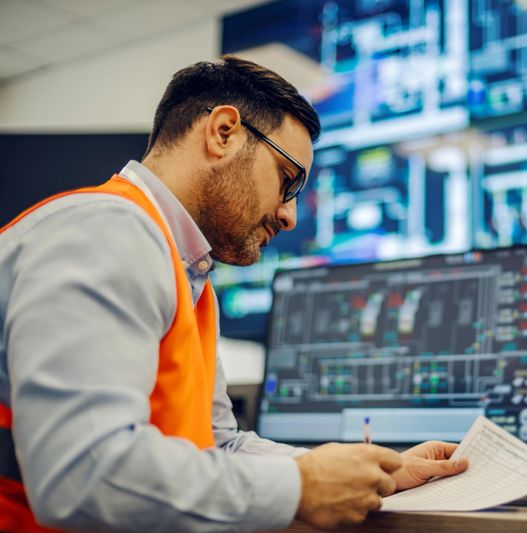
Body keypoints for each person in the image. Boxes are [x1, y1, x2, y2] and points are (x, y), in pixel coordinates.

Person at [0, 56, 467, 532]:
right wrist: (300, 489)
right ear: (223, 132)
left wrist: (374, 471)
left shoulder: (187, 277)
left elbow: (219, 445)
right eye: (288, 182)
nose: (290, 217)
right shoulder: (107, 232)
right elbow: (82, 476)